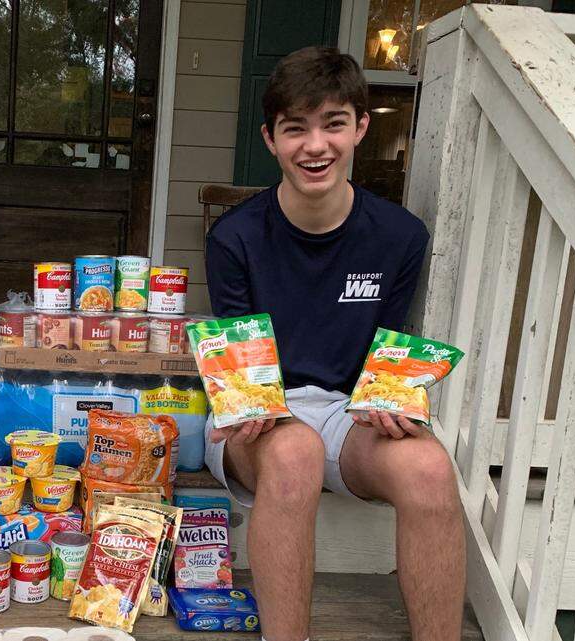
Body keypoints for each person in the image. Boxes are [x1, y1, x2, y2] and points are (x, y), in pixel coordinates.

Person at [204, 47, 463, 641]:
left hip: (349, 417)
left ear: (361, 128)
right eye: (296, 128)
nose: (315, 145)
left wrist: (391, 398)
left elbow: (387, 354)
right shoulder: (235, 237)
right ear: (271, 139)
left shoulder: (400, 235)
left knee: (427, 465)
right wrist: (242, 407)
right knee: (292, 454)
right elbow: (244, 374)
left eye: (333, 124)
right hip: (263, 422)